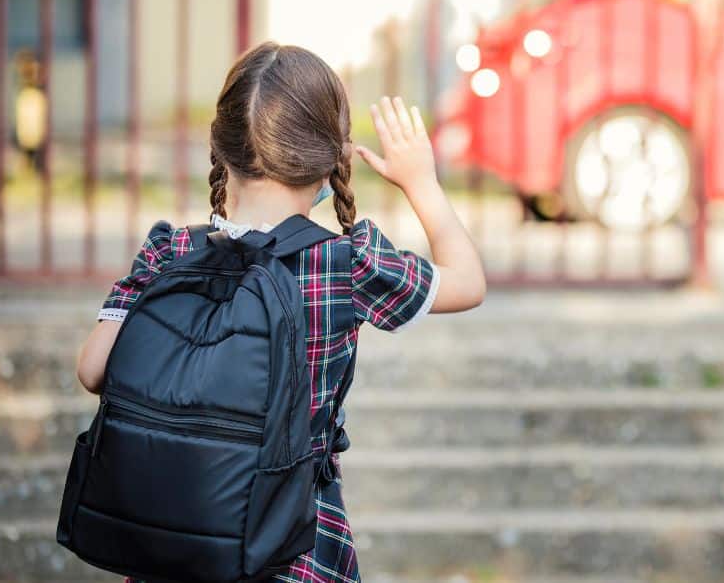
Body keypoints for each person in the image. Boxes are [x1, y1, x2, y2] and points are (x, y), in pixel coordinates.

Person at [73, 41, 486, 582]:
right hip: (294, 556)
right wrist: (420, 182)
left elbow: (91, 369)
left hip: (170, 558)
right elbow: (468, 282)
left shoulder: (168, 252)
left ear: (220, 147)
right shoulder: (344, 264)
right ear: (328, 159)